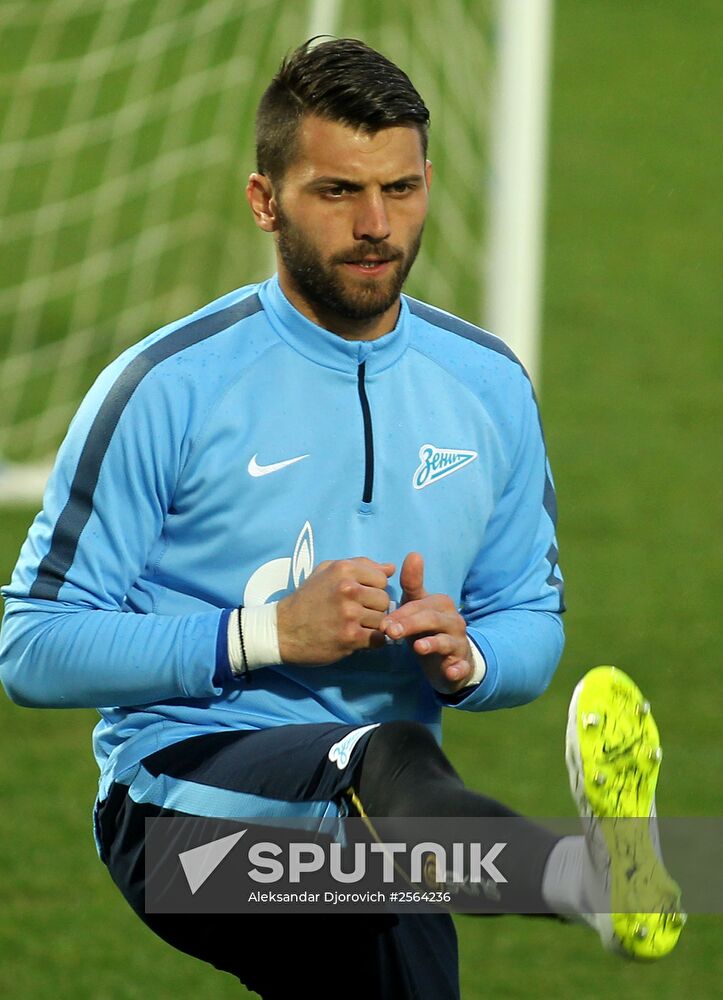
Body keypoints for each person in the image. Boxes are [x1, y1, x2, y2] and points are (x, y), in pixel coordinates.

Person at [0, 38, 683, 999]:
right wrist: (266, 635)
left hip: (392, 835)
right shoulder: (166, 387)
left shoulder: (487, 386)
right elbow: (32, 648)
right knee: (382, 762)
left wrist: (470, 658)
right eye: (337, 192)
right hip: (177, 824)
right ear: (264, 200)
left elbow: (529, 617)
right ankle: (582, 878)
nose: (375, 225)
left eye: (400, 190)